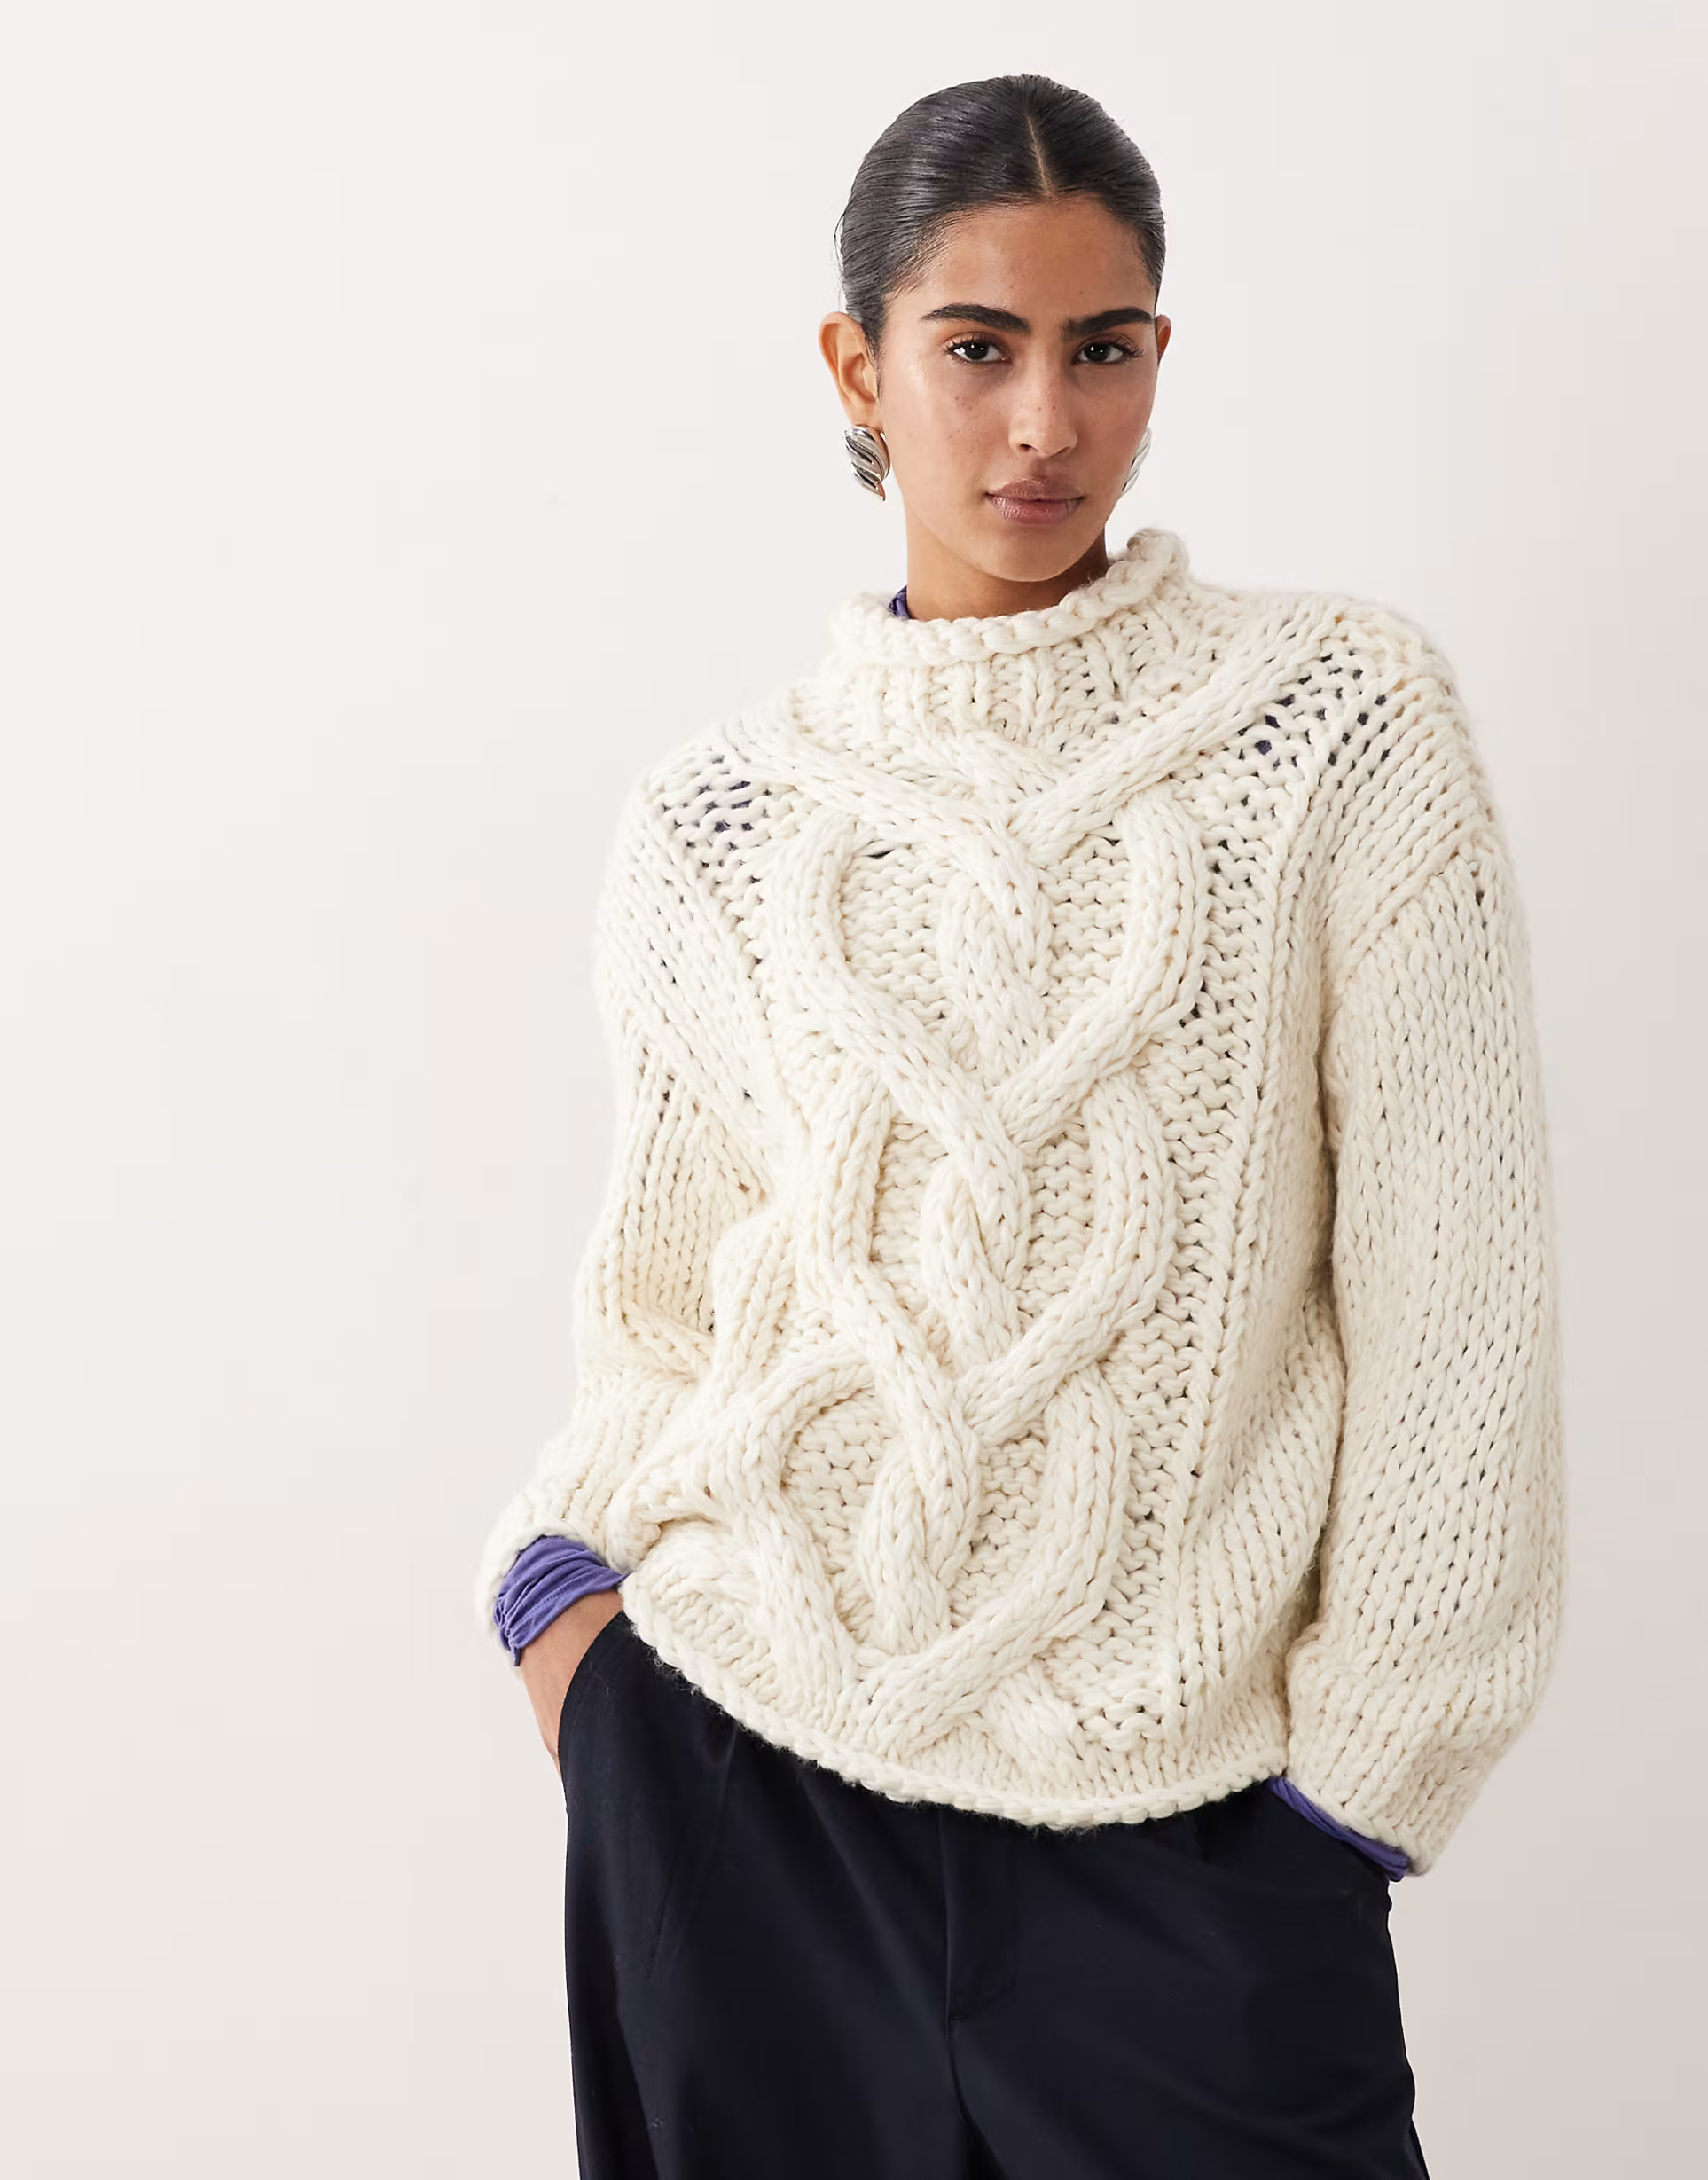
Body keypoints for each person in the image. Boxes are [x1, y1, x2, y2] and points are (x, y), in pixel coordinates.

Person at [471, 71, 1563, 2180]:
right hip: (745, 1792)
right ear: (857, 366)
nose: (1044, 421)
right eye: (976, 347)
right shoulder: (716, 821)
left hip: (1199, 1844)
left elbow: (1461, 1301)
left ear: (1159, 354)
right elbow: (664, 1297)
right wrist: (564, 1616)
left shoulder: (1339, 730)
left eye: (1104, 346)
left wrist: (1364, 1786)